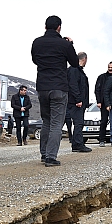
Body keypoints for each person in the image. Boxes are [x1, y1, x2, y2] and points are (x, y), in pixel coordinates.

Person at [31, 15, 78, 166]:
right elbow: (75, 63)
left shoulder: (37, 42)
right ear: (59, 28)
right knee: (57, 124)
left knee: (46, 121)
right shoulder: (63, 44)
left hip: (42, 87)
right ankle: (51, 157)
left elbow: (35, 60)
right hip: (58, 87)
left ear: (45, 27)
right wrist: (70, 44)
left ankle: (44, 154)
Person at [67, 52, 92, 153]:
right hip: (76, 102)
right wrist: (78, 99)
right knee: (78, 123)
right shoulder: (74, 70)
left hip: (79, 102)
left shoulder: (78, 71)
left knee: (78, 123)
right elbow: (73, 85)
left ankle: (75, 144)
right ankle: (78, 144)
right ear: (85, 59)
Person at [94, 62, 112, 147]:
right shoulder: (102, 77)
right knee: (104, 121)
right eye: (109, 67)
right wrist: (99, 101)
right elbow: (97, 90)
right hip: (104, 103)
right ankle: (102, 139)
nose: (110, 69)